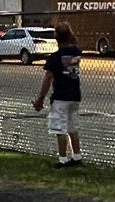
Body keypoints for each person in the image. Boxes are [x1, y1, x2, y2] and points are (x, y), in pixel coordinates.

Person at [32, 24, 84, 166]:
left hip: (60, 96)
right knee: (72, 127)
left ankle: (63, 159)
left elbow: (48, 78)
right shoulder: (76, 52)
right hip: (74, 95)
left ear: (56, 38)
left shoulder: (54, 58)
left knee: (59, 129)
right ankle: (77, 156)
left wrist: (40, 98)